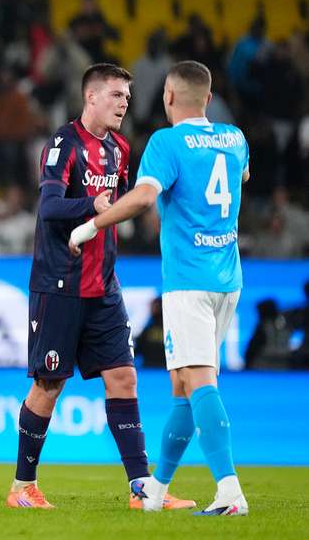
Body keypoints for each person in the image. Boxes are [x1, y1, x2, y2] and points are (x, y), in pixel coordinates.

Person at [7, 63, 193, 511]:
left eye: (126, 97)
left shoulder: (121, 149)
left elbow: (121, 207)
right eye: (115, 95)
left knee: (124, 378)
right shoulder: (62, 144)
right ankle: (22, 487)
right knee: (49, 385)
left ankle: (141, 489)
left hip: (105, 286)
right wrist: (92, 202)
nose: (123, 103)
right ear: (90, 97)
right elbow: (50, 207)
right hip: (60, 283)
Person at [70, 60, 251, 516]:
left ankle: (229, 491)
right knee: (183, 385)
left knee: (199, 380)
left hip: (189, 281)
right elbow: (242, 177)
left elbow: (146, 196)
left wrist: (92, 225)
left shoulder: (166, 143)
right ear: (208, 98)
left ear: (168, 97)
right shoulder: (235, 139)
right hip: (228, 278)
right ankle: (155, 487)